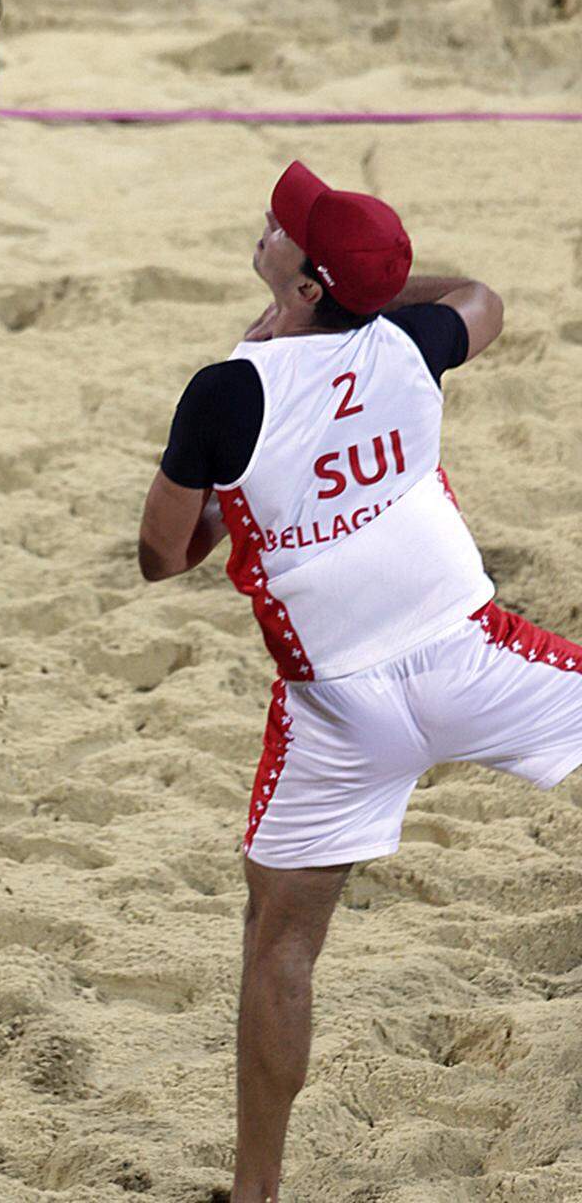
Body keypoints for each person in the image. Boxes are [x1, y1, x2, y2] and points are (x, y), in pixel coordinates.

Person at [138, 160, 582, 1203]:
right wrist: (383, 292)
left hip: (339, 713)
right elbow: (484, 301)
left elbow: (162, 556)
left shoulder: (228, 390)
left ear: (301, 288)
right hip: (477, 659)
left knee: (280, 947)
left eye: (287, 232)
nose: (271, 221)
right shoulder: (413, 345)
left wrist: (233, 483)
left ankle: (255, 1195)